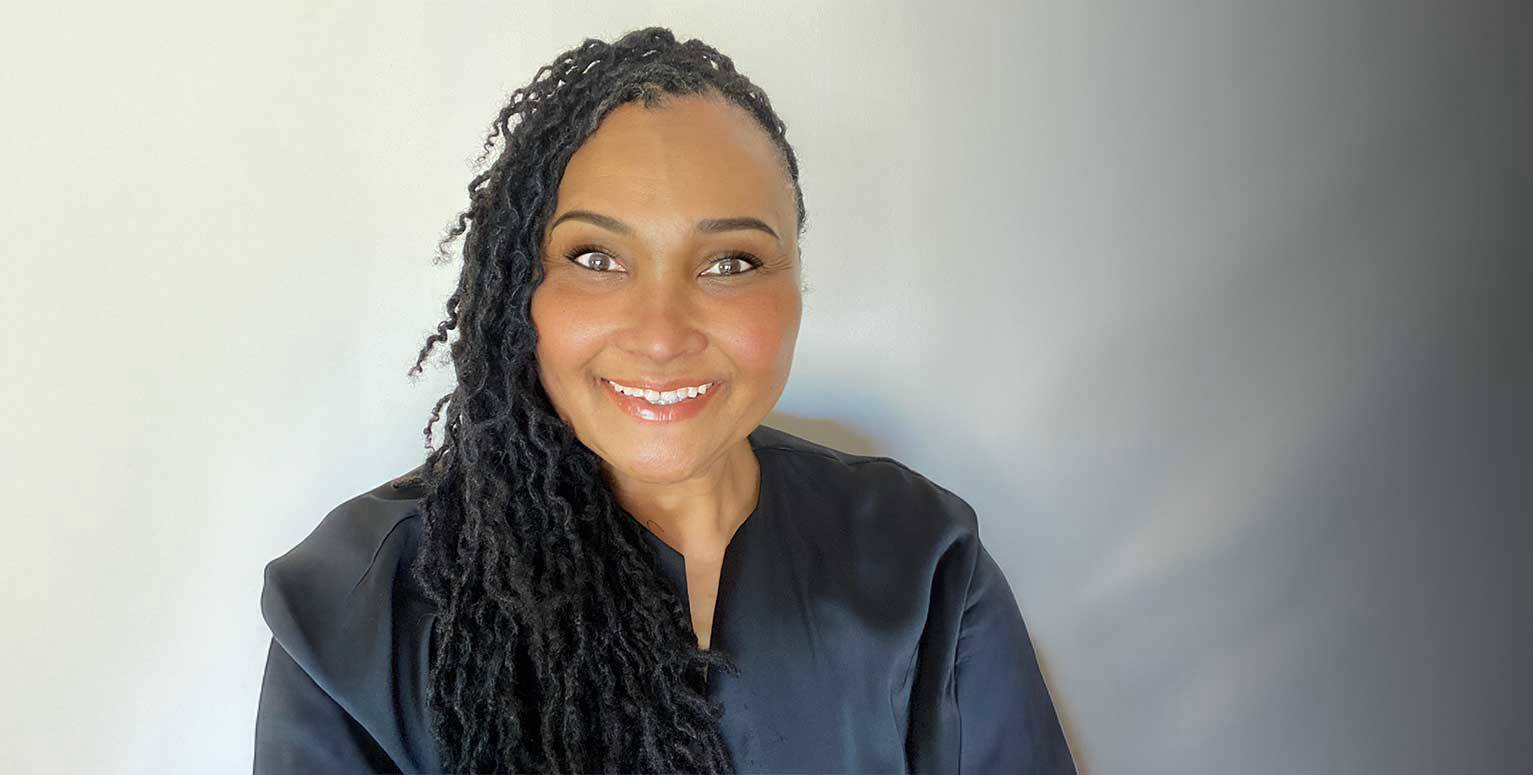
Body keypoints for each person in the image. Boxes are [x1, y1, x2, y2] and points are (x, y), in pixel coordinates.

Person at [252, 26, 1074, 775]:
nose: (660, 335)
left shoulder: (922, 562)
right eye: (596, 258)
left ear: (796, 285)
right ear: (517, 288)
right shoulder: (359, 611)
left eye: (730, 263)